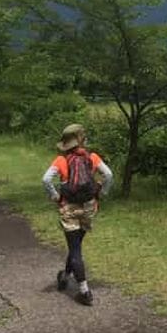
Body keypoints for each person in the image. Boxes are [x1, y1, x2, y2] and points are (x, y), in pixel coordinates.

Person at [42, 123, 113, 306]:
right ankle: (65, 276)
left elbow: (46, 179)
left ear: (66, 144)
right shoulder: (92, 157)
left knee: (75, 249)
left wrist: (55, 196)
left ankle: (84, 292)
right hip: (89, 208)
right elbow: (109, 175)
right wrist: (102, 193)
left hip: (69, 208)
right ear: (81, 141)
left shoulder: (61, 160)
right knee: (76, 245)